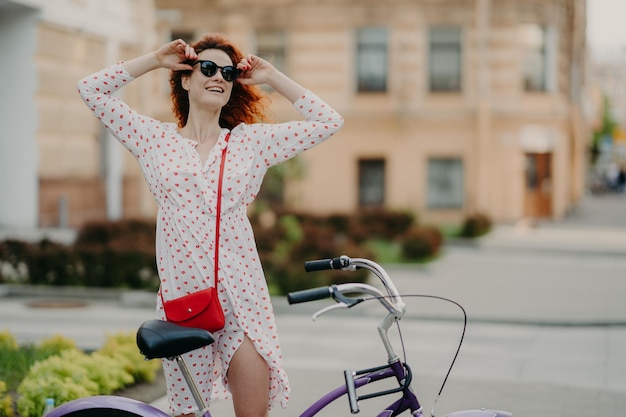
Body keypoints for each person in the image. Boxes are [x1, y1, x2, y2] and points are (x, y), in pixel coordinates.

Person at [77, 34, 344, 417]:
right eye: (208, 68)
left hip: (243, 301)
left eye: (228, 72)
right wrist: (155, 59)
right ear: (185, 78)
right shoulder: (153, 138)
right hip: (185, 303)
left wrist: (272, 76)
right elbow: (91, 90)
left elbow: (329, 121)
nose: (219, 76)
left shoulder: (251, 143)